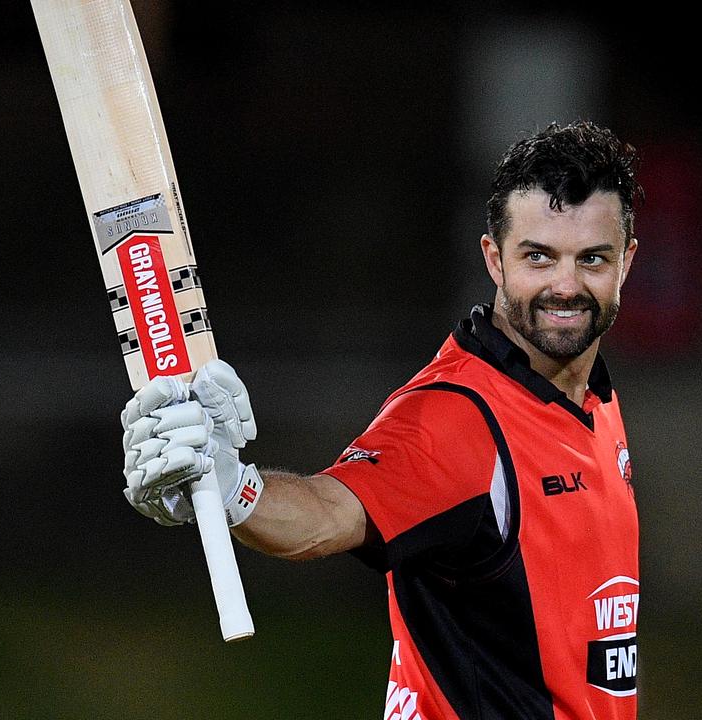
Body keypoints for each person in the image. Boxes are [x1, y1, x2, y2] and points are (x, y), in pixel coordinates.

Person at [120, 120, 643, 719]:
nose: (565, 286)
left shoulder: (590, 395)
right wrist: (233, 488)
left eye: (592, 259)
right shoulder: (459, 418)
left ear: (626, 261)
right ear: (494, 260)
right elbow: (329, 511)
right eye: (539, 257)